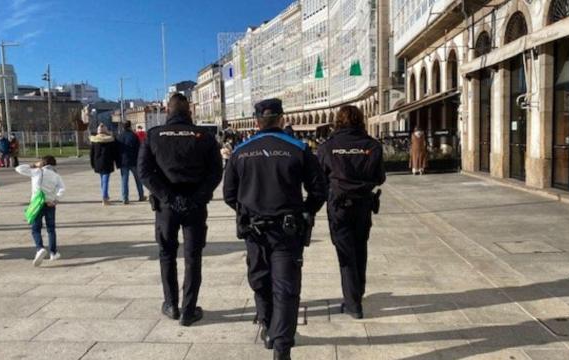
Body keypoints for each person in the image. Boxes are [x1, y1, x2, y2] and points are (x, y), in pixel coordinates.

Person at [223, 98, 327, 360]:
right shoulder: (298, 148)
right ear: (282, 118)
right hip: (286, 230)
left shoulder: (240, 151)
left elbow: (228, 194)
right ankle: (282, 347)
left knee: (260, 281)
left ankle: (269, 328)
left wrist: (248, 209)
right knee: (286, 288)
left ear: (256, 121)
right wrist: (305, 211)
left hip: (254, 230)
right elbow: (319, 190)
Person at [138, 93, 222, 327]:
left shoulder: (154, 135)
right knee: (193, 257)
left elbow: (144, 172)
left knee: (167, 254)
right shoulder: (204, 136)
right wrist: (198, 197)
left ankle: (171, 304)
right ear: (189, 112)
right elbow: (216, 172)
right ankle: (188, 309)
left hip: (166, 206)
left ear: (168, 111)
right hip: (194, 204)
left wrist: (167, 197)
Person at [317, 106, 386, 319]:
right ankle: (358, 290)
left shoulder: (328, 147)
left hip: (338, 206)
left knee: (345, 253)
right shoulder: (372, 146)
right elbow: (380, 177)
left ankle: (353, 303)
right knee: (360, 248)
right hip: (363, 204)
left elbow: (320, 178)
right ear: (360, 120)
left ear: (338, 121)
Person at [16, 156, 65, 266]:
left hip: (37, 204)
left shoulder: (37, 172)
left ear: (42, 163)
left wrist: (33, 165)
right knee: (51, 229)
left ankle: (40, 248)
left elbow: (19, 168)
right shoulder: (56, 175)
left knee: (36, 228)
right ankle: (53, 252)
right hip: (50, 203)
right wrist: (56, 199)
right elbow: (62, 188)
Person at [90, 124, 120, 206]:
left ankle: (105, 195)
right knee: (105, 180)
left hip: (98, 163)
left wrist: (92, 164)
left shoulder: (94, 141)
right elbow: (114, 153)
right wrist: (116, 161)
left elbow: (92, 154)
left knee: (102, 180)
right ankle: (104, 197)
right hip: (107, 162)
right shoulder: (110, 140)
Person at [117, 121, 146, 204]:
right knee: (138, 180)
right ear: (130, 126)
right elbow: (139, 148)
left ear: (123, 127)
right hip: (134, 161)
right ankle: (141, 195)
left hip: (123, 162)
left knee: (124, 180)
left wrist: (118, 161)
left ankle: (125, 198)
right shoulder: (134, 136)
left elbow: (117, 150)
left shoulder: (119, 137)